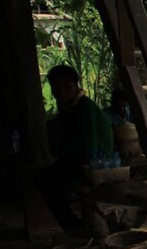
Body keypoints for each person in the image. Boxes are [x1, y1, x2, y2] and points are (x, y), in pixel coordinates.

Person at [38, 65, 114, 230]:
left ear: (76, 85)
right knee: (44, 176)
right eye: (57, 88)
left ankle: (73, 227)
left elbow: (89, 148)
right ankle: (74, 224)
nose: (62, 92)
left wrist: (81, 174)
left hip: (96, 162)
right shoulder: (69, 107)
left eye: (67, 87)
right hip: (83, 158)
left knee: (46, 180)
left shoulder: (84, 107)